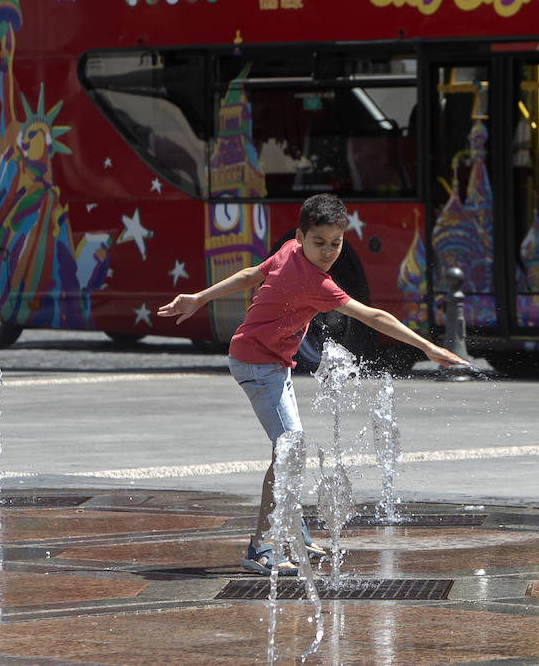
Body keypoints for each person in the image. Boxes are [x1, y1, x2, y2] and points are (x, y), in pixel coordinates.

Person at [158, 193, 469, 575]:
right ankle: (261, 548)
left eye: (335, 244)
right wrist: (427, 346)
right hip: (257, 365)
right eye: (319, 243)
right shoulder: (315, 282)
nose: (327, 252)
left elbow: (252, 274)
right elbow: (373, 316)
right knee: (289, 451)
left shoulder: (290, 250)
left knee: (291, 449)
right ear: (301, 235)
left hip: (272, 363)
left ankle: (292, 531)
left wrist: (200, 298)